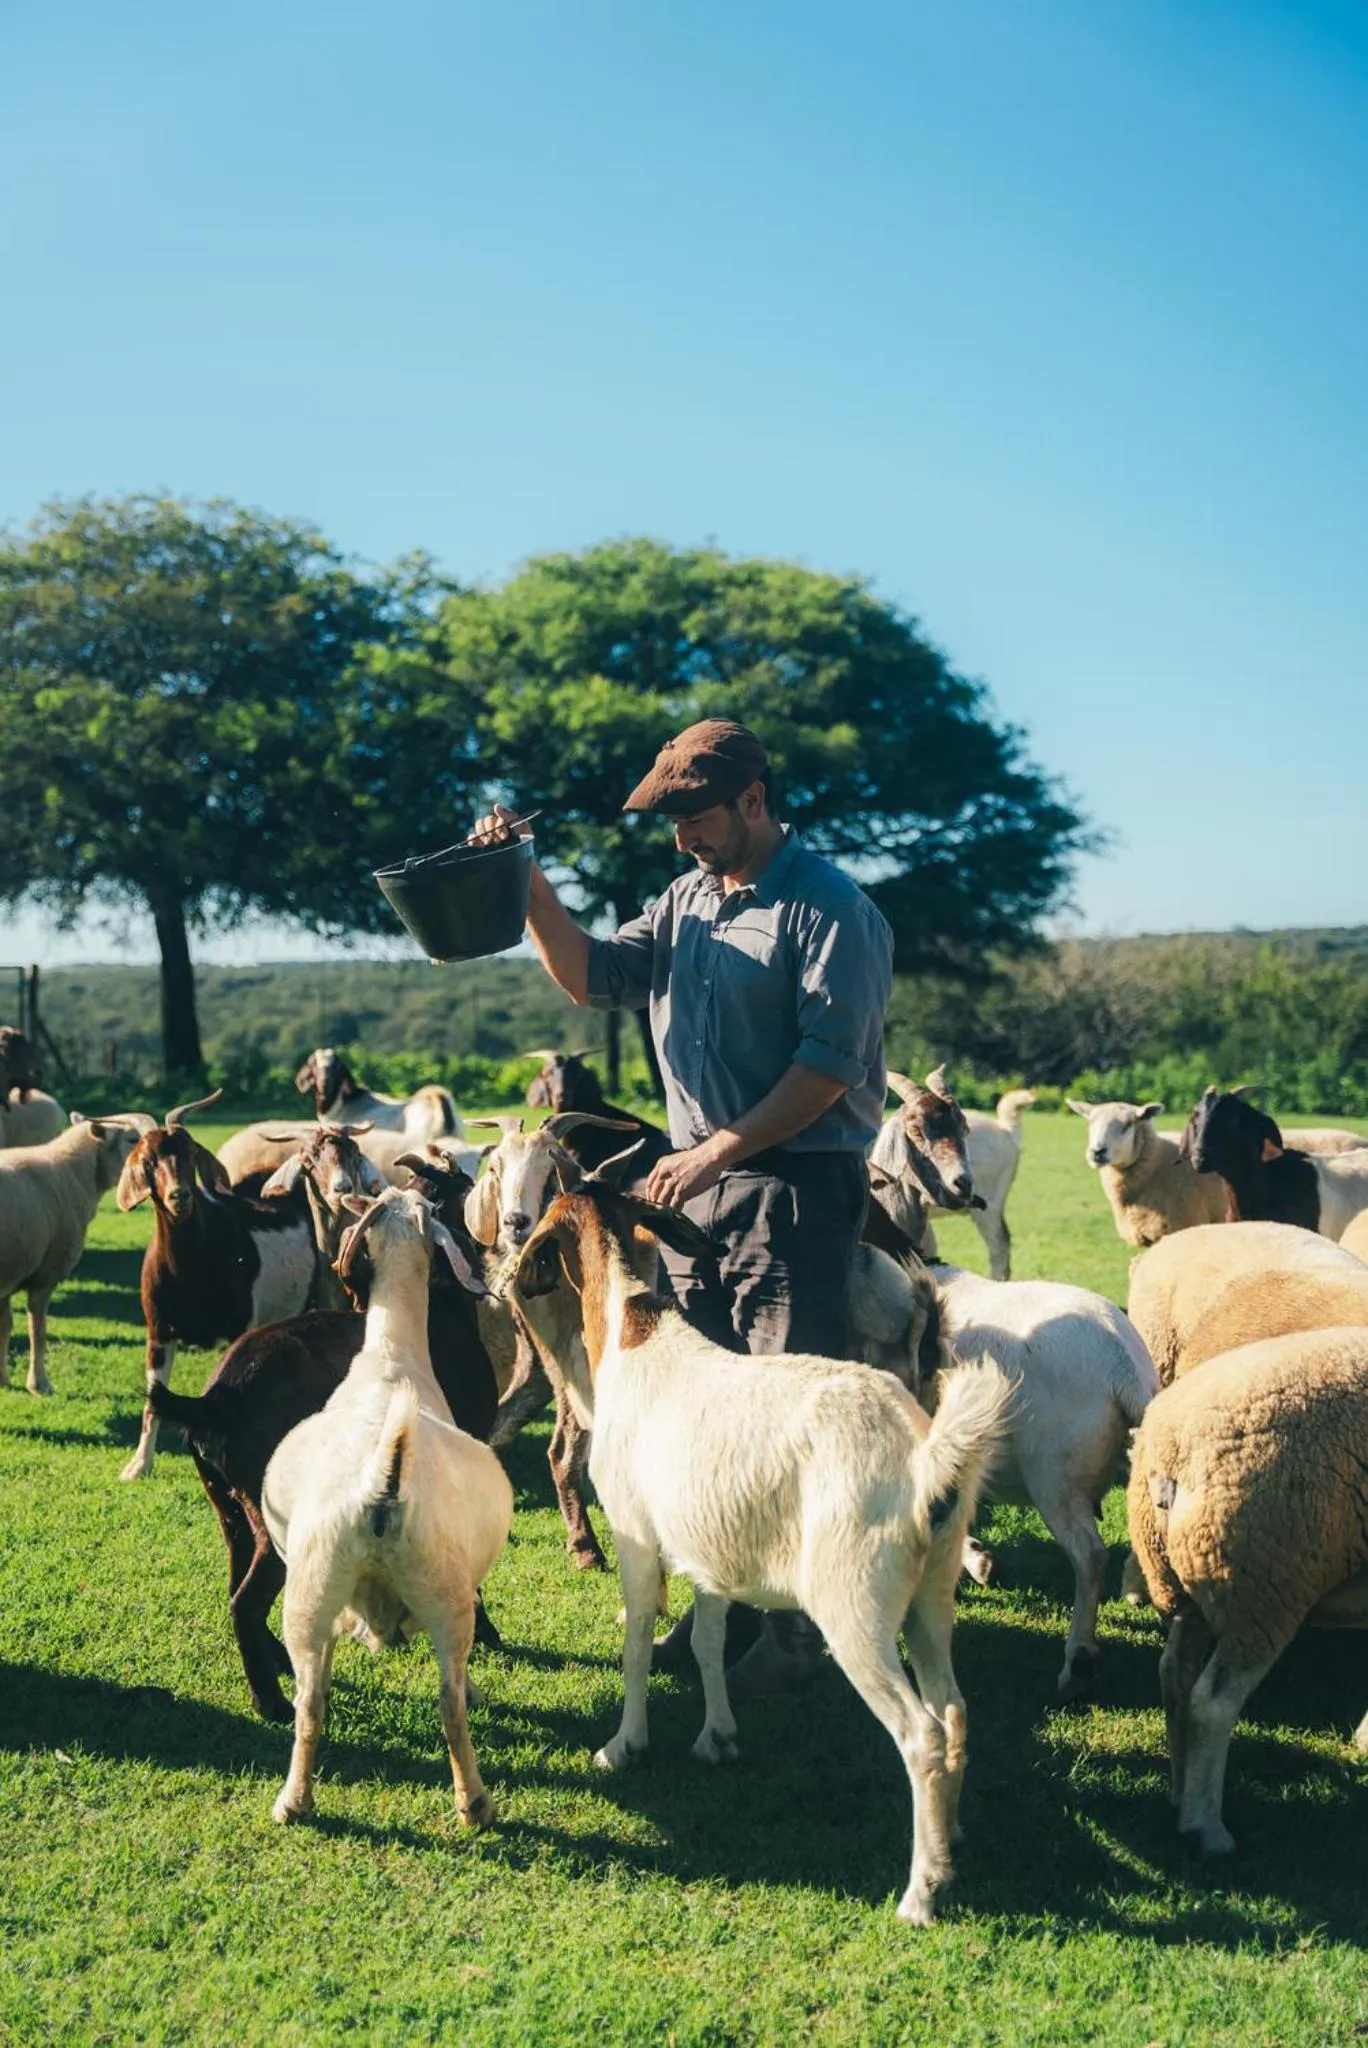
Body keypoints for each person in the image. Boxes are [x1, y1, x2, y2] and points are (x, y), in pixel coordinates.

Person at [472, 718, 893, 1692]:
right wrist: (530, 885)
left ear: (754, 799)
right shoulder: (685, 902)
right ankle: (730, 1619)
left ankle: (808, 1630)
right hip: (696, 1188)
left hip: (792, 1190)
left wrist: (714, 1151)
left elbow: (829, 1069)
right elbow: (590, 978)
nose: (680, 839)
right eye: (671, 823)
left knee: (787, 1414)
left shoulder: (832, 911)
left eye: (695, 818)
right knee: (704, 1419)